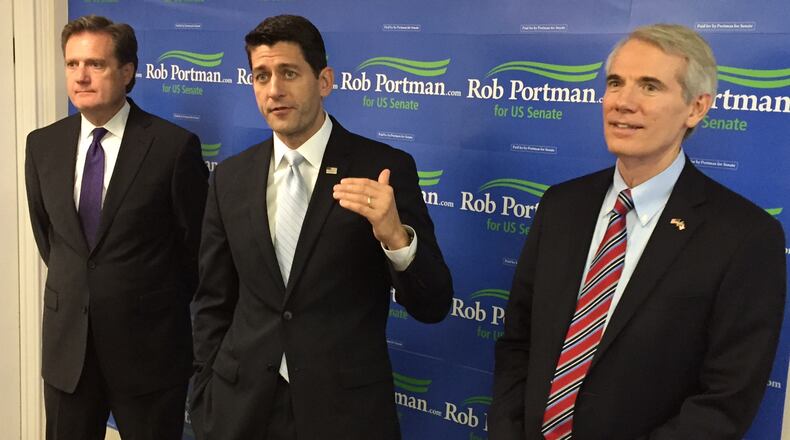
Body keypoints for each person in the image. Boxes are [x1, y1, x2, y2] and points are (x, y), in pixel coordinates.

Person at [489, 24, 785, 440]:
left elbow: (725, 401)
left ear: (696, 108)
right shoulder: (561, 206)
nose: (623, 102)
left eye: (649, 86)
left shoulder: (746, 236)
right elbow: (519, 341)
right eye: (615, 83)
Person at [188, 14, 453, 440]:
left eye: (289, 73)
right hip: (240, 411)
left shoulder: (382, 169)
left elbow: (433, 303)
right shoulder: (231, 177)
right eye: (261, 75)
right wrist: (205, 396)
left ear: (324, 80)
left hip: (345, 415)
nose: (274, 89)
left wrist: (394, 237)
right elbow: (214, 301)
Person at [25, 14, 208, 440]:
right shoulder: (42, 145)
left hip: (149, 354)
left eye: (96, 64)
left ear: (127, 73)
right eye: (72, 65)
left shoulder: (172, 148)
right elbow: (51, 239)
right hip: (68, 352)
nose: (81, 76)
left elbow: (197, 251)